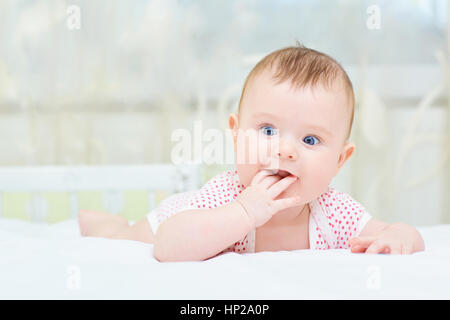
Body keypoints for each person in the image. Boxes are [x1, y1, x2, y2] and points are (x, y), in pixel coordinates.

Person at [78, 44, 425, 262]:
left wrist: (397, 237)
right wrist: (244, 211)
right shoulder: (225, 194)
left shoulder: (334, 213)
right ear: (236, 134)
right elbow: (167, 247)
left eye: (310, 140)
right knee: (125, 238)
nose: (285, 150)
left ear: (339, 161)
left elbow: (401, 232)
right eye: (268, 131)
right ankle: (109, 223)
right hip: (177, 217)